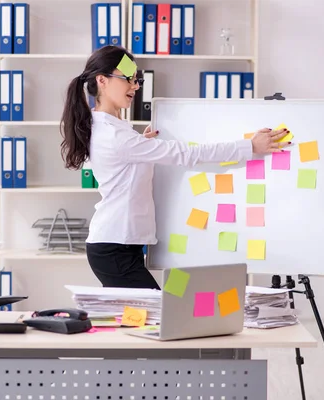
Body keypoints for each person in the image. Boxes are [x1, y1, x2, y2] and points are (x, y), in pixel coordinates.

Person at [59, 45, 290, 290]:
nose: (136, 86)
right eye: (128, 79)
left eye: (137, 80)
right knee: (157, 316)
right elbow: (188, 154)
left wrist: (142, 146)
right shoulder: (115, 135)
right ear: (102, 80)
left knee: (141, 319)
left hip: (120, 244)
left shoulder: (114, 129)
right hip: (114, 247)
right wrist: (249, 146)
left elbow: (126, 166)